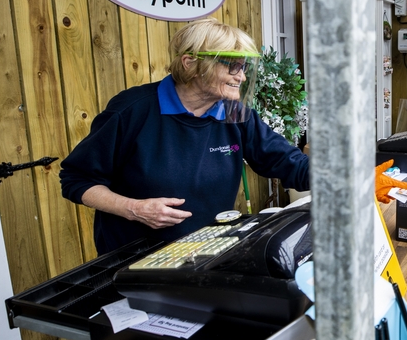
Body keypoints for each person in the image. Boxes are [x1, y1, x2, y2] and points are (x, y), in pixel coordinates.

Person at [60, 18, 309, 255]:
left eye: (244, 67)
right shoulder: (132, 110)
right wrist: (134, 209)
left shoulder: (234, 113)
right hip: (136, 261)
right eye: (232, 65)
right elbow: (76, 179)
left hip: (206, 254)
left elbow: (290, 164)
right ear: (190, 64)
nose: (241, 76)